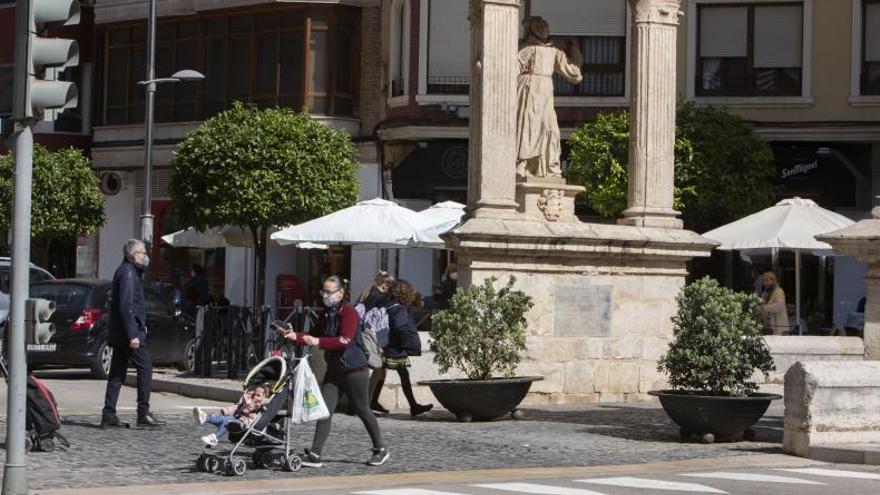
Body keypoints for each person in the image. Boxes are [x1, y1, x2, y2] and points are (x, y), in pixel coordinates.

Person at [280, 275, 388, 467]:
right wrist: (293, 335)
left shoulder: (349, 312)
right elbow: (314, 334)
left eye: (329, 292)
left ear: (340, 293)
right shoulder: (327, 312)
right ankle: (315, 454)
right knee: (325, 411)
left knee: (362, 409)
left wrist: (319, 342)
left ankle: (380, 449)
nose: (325, 295)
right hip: (335, 370)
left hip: (355, 369)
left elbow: (345, 339)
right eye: (324, 291)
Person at [101, 239, 165, 428]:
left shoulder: (127, 271)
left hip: (120, 333)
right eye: (142, 253)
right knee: (145, 369)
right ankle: (143, 413)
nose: (145, 257)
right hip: (129, 333)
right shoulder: (128, 273)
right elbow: (126, 306)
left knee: (117, 373)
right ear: (132, 254)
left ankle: (109, 413)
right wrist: (133, 335)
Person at [515, 16, 583, 179]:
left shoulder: (554, 51)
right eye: (538, 26)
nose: (542, 28)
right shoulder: (524, 48)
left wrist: (574, 48)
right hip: (527, 90)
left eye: (544, 25)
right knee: (528, 126)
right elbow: (511, 68)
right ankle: (523, 164)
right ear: (530, 29)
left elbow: (574, 74)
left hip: (545, 93)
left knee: (550, 128)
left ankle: (548, 167)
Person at [370, 280, 433, 417]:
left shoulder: (387, 303)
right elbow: (400, 326)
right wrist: (408, 342)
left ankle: (371, 402)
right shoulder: (398, 308)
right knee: (388, 373)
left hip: (384, 344)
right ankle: (367, 403)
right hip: (393, 346)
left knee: (383, 373)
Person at [193, 382, 270, 446]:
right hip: (237, 419)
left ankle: (214, 437)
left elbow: (253, 409)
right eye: (254, 394)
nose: (255, 397)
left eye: (258, 395)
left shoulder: (261, 405)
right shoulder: (250, 402)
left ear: (265, 397)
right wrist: (227, 411)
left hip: (244, 424)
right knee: (222, 418)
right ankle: (205, 418)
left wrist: (248, 402)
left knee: (227, 422)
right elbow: (237, 408)